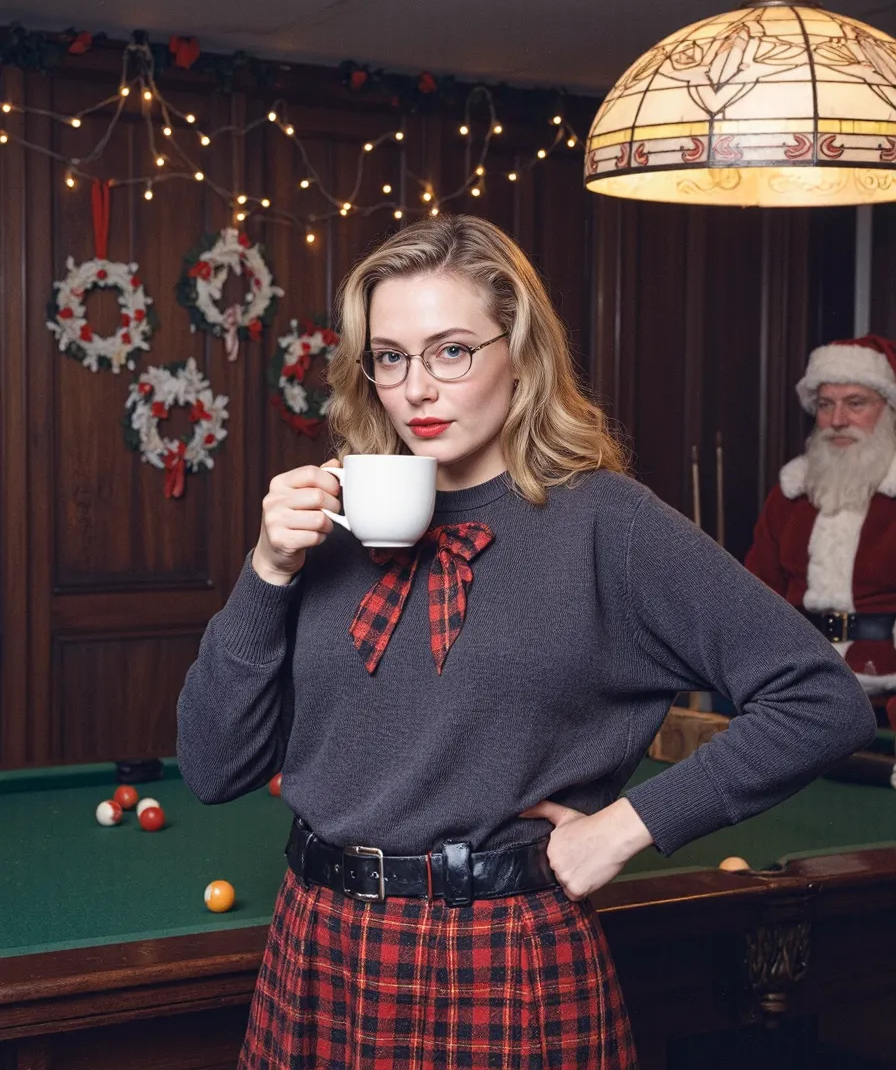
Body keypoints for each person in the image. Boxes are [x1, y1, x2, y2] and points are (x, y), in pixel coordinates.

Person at [177, 215, 876, 1070]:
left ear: (520, 351)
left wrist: (625, 826)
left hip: (501, 955)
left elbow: (821, 699)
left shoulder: (606, 523)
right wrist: (268, 568)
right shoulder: (328, 522)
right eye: (390, 356)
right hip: (317, 942)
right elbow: (213, 768)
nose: (417, 390)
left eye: (451, 350)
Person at [746, 335, 896, 714]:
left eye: (855, 404)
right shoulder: (790, 494)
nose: (837, 420)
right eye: (826, 405)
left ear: (889, 409)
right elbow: (756, 597)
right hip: (801, 686)